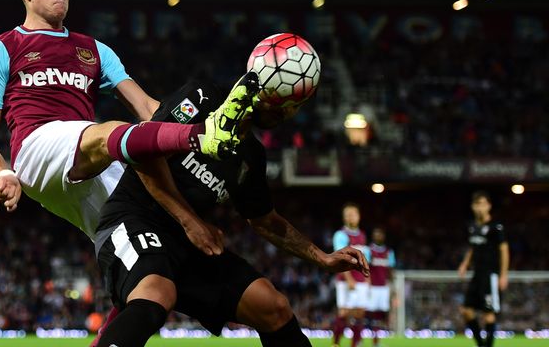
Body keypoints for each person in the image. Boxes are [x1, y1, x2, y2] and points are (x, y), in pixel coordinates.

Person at [0, 0, 257, 254]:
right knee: (113, 131)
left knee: (149, 245)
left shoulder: (94, 49)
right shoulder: (3, 47)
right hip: (37, 150)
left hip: (88, 154)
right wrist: (3, 172)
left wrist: (201, 118)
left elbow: (149, 109)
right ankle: (201, 137)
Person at [92, 80, 369, 347]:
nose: (288, 114)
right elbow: (144, 154)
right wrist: (191, 222)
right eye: (286, 103)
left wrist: (322, 257)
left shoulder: (251, 155)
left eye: (295, 107)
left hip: (191, 246)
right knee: (156, 295)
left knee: (273, 307)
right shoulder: (202, 98)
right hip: (136, 219)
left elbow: (264, 220)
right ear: (266, 92)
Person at [457, 191, 509, 347]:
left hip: (490, 275)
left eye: (482, 204)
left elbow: (504, 250)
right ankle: (481, 344)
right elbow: (473, 246)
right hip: (476, 275)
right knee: (466, 311)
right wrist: (465, 263)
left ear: (489, 206)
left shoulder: (496, 227)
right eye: (476, 204)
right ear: (472, 207)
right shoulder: (473, 227)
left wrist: (503, 275)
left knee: (488, 313)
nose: (479, 207)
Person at [332, 202, 371, 347]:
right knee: (344, 312)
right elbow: (341, 258)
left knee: (360, 312)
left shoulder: (362, 235)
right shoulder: (341, 235)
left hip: (361, 280)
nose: (350, 217)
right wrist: (349, 278)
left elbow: (365, 260)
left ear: (359, 216)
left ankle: (355, 344)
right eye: (347, 214)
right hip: (345, 280)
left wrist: (368, 280)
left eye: (353, 214)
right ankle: (335, 343)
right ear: (344, 218)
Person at [366, 227, 395, 347]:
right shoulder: (368, 250)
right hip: (372, 287)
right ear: (373, 236)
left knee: (381, 315)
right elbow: (365, 268)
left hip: (384, 287)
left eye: (380, 234)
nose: (378, 236)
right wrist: (367, 285)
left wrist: (393, 288)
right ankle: (362, 339)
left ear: (383, 236)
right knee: (369, 314)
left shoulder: (389, 252)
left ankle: (376, 342)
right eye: (376, 234)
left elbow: (391, 271)